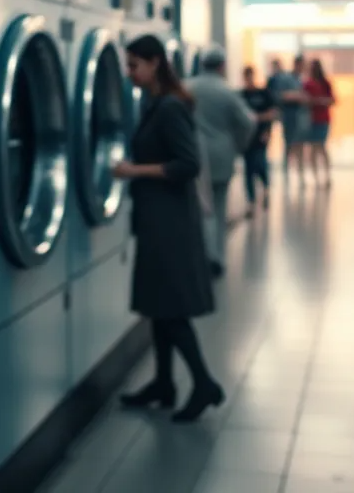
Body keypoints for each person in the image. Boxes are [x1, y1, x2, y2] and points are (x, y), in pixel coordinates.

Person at [114, 34, 224, 421]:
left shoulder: (170, 108)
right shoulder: (156, 103)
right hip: (157, 217)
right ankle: (163, 383)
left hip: (170, 223)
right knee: (158, 307)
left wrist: (133, 170)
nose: (128, 73)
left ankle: (204, 384)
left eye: (133, 65)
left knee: (171, 311)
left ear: (155, 62)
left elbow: (187, 164)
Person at [184, 45, 257, 277]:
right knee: (218, 205)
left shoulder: (187, 87)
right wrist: (239, 144)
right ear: (222, 66)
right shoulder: (227, 92)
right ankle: (217, 258)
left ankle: (202, 256)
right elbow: (249, 122)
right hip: (223, 154)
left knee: (199, 208)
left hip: (193, 153)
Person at [239, 65, 277, 213]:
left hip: (261, 135)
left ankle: (266, 187)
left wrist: (264, 127)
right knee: (248, 168)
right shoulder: (242, 95)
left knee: (260, 163)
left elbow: (272, 113)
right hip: (247, 137)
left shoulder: (263, 93)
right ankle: (251, 201)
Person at [266, 56, 310, 184]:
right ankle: (286, 174)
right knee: (289, 145)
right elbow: (280, 95)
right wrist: (296, 96)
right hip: (289, 116)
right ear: (297, 64)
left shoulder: (301, 80)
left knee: (301, 145)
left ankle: (301, 175)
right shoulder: (286, 79)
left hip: (301, 116)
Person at [302, 59, 335, 187]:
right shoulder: (307, 84)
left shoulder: (325, 83)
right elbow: (305, 100)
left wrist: (320, 101)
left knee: (320, 147)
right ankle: (316, 179)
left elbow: (332, 100)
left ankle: (327, 177)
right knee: (313, 150)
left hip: (323, 119)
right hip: (310, 120)